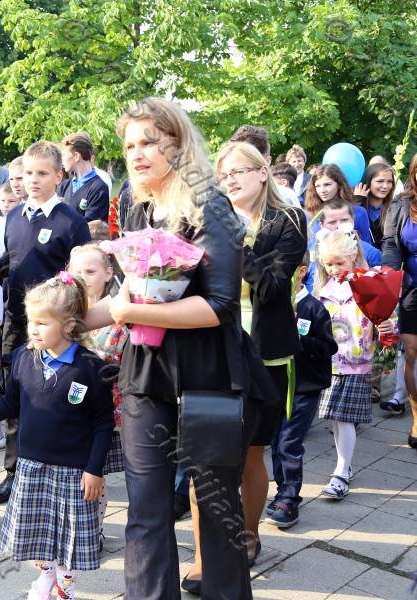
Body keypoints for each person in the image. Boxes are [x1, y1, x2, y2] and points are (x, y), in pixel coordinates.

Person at [85, 97, 274, 599]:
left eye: (149, 142)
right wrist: (74, 317)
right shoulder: (136, 205)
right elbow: (129, 294)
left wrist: (129, 312)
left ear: (179, 144)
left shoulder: (213, 208)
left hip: (209, 376)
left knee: (216, 510)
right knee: (146, 509)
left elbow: (219, 307)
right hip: (146, 374)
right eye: (130, 145)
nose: (137, 153)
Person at [181, 141, 305, 577]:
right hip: (212, 351)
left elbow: (271, 288)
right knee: (204, 460)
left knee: (252, 455)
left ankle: (248, 535)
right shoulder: (204, 219)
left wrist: (235, 240)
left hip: (264, 355)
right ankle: (202, 557)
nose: (229, 180)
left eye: (238, 171)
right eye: (223, 174)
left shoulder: (287, 221)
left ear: (262, 172)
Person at [0, 273, 111, 600]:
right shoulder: (24, 358)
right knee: (39, 534)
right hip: (31, 467)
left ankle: (64, 588)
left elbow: (102, 423)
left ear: (68, 325)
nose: (33, 329)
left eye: (42, 323)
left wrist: (94, 470)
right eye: (31, 321)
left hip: (73, 472)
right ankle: (45, 578)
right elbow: (10, 404)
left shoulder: (90, 367)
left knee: (68, 539)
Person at [0, 140, 92, 505]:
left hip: (55, 326)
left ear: (59, 176)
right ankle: (14, 472)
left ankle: (60, 469)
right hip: (16, 321)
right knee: (14, 393)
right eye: (28, 173)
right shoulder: (14, 216)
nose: (33, 180)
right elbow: (12, 260)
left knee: (55, 396)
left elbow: (79, 279)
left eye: (42, 173)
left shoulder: (71, 222)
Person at [314, 230, 396, 497]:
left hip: (357, 362)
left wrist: (387, 328)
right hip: (330, 362)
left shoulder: (367, 285)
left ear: (353, 256)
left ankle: (341, 472)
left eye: (339, 262)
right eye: (329, 264)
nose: (334, 269)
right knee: (336, 419)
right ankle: (344, 466)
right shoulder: (322, 290)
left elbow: (387, 318)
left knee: (346, 418)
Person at [265, 253, 337, 527]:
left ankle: (289, 498)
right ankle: (281, 491)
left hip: (304, 389)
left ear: (301, 271)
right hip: (276, 387)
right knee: (276, 441)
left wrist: (299, 340)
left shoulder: (313, 308)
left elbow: (328, 347)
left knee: (289, 442)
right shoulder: (272, 306)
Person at [68, 244, 126, 547]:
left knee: (95, 471)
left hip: (104, 407)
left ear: (108, 273)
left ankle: (94, 528)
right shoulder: (65, 311)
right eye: (77, 271)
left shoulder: (119, 313)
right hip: (71, 407)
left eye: (90, 271)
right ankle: (74, 524)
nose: (83, 277)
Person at [380, 154, 417, 443]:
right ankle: (416, 414)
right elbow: (391, 246)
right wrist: (390, 279)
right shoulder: (401, 205)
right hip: (412, 290)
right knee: (412, 353)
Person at [304, 163, 373, 244]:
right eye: (318, 186)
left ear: (339, 184)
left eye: (327, 184)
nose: (322, 190)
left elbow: (366, 245)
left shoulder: (359, 212)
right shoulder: (309, 215)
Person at [59, 132, 110, 222]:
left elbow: (91, 226)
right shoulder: (64, 186)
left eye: (64, 155)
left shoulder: (99, 189)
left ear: (76, 156)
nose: (62, 160)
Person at [354, 161, 396, 244]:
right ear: (367, 182)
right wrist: (358, 200)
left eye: (389, 181)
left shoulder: (395, 208)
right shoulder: (355, 207)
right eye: (380, 181)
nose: (385, 186)